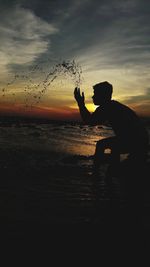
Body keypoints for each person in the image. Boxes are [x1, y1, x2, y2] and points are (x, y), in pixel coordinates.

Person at [74, 81, 149, 177]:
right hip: (140, 140)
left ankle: (95, 174)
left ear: (103, 95)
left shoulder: (107, 107)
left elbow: (90, 121)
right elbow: (91, 121)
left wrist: (81, 104)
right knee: (115, 149)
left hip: (137, 141)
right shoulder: (112, 105)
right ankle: (111, 171)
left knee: (102, 145)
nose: (93, 97)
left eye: (95, 94)